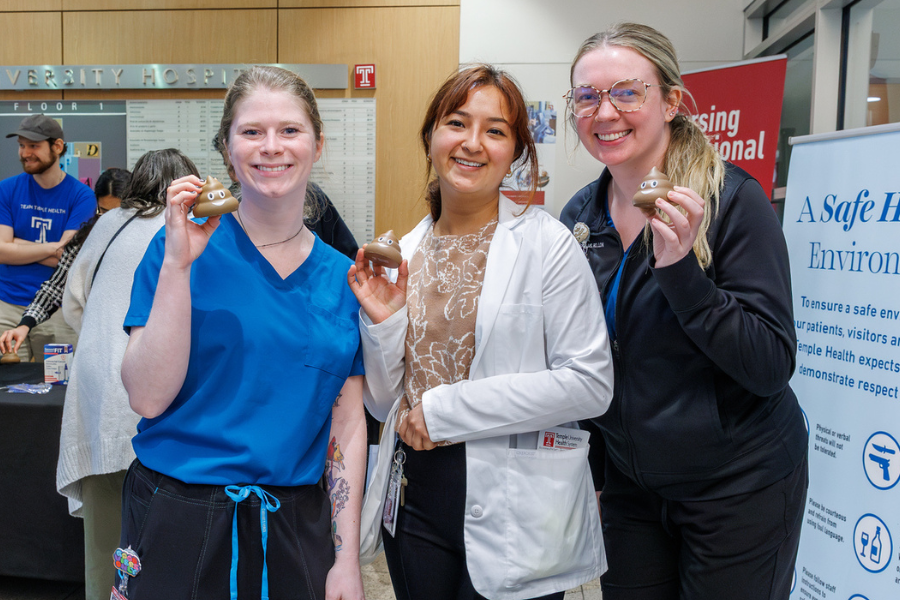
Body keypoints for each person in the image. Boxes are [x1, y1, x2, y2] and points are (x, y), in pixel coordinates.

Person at [559, 23, 808, 600]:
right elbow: (589, 360)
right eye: (587, 97)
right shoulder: (581, 214)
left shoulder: (732, 202)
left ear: (671, 101)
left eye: (626, 91)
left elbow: (771, 362)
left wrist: (681, 275)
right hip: (632, 486)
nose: (605, 112)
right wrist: (595, 473)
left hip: (739, 484)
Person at [348, 64, 613, 600]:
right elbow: (382, 405)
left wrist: (449, 411)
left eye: (495, 130)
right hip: (415, 495)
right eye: (456, 123)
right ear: (430, 137)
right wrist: (384, 324)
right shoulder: (403, 251)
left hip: (516, 502)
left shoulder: (547, 245)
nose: (472, 143)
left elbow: (590, 383)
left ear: (514, 151)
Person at [119, 66, 366, 600]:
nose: (271, 147)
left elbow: (346, 427)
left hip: (293, 524)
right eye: (252, 132)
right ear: (227, 149)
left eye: (290, 131)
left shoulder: (343, 280)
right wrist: (179, 268)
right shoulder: (176, 251)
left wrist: (346, 560)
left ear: (317, 145)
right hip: (177, 515)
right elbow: (146, 395)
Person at [54, 151, 192, 600]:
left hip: (95, 393)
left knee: (105, 547)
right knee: (166, 550)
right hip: (156, 397)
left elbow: (73, 304)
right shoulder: (184, 229)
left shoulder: (108, 224)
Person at [0, 168, 131, 358]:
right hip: (96, 336)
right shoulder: (86, 239)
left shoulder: (150, 238)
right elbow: (55, 287)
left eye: (119, 213)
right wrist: (26, 324)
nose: (110, 221)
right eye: (103, 212)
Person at [0, 114, 97, 361]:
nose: (25, 153)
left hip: (58, 309)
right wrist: (52, 248)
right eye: (22, 146)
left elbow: (67, 259)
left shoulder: (82, 196)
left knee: (57, 390)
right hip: (7, 305)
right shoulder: (7, 189)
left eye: (34, 146)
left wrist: (17, 245)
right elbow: (1, 251)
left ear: (57, 147)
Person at [213, 133, 359, 258]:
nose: (270, 148)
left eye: (289, 131)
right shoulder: (222, 211)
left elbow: (348, 255)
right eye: (231, 168)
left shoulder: (314, 199)